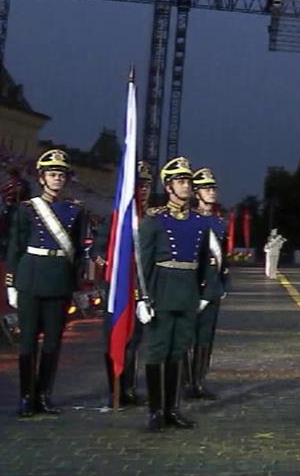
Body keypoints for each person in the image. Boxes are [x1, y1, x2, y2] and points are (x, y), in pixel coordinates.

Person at [6, 149, 88, 418]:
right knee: (28, 341)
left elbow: (78, 250)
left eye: (61, 175)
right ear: (42, 178)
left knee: (53, 342)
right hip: (30, 278)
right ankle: (26, 397)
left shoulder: (75, 211)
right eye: (52, 175)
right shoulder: (27, 209)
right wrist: (11, 283)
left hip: (59, 280)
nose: (57, 179)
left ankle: (43, 395)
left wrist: (75, 284)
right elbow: (15, 247)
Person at [136, 157, 211, 431]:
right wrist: (141, 297)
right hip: (162, 290)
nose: (186, 186)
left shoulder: (199, 222)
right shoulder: (155, 220)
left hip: (187, 291)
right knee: (157, 351)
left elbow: (203, 261)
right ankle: (156, 412)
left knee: (178, 351)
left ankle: (172, 409)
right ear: (168, 187)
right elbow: (143, 262)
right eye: (180, 181)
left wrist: (204, 292)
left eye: (188, 181)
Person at [97, 159, 152, 408]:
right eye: (139, 185)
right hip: (119, 288)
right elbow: (98, 248)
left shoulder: (152, 218)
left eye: (147, 185)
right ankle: (115, 390)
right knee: (115, 339)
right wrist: (105, 259)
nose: (143, 190)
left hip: (143, 289)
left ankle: (128, 388)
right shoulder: (117, 219)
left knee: (135, 341)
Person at [187, 167, 229, 400]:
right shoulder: (189, 220)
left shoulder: (219, 222)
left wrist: (223, 284)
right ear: (197, 193)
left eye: (213, 188)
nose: (212, 192)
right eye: (206, 189)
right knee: (186, 337)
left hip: (213, 287)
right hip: (192, 286)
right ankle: (185, 382)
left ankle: (199, 382)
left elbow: (223, 257)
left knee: (205, 337)